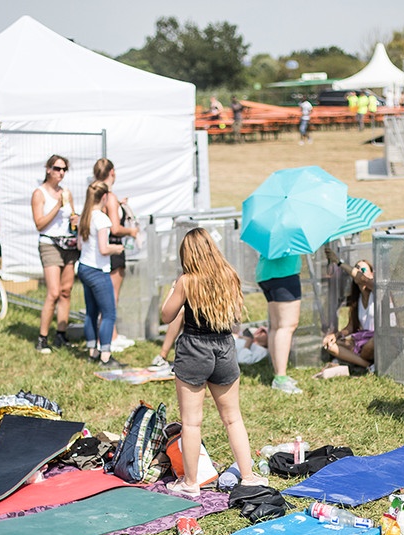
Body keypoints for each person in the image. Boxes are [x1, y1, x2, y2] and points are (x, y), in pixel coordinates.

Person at [161, 228, 269, 495]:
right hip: (224, 348)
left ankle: (190, 483)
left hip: (194, 349)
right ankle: (249, 475)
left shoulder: (187, 281)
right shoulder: (229, 276)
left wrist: (173, 288)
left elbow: (167, 315)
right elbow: (234, 318)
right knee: (233, 418)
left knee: (191, 422)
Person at [31, 154, 79, 354]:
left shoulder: (66, 192)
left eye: (64, 169)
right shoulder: (39, 193)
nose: (61, 173)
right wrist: (57, 206)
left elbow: (72, 216)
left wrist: (76, 220)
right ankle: (42, 337)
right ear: (48, 169)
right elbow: (39, 224)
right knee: (53, 292)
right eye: (57, 169)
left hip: (68, 243)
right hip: (49, 243)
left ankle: (61, 333)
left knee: (66, 291)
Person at [77, 181, 125, 368]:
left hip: (84, 267)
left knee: (91, 312)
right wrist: (118, 248)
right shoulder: (103, 220)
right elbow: (104, 249)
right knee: (109, 314)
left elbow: (80, 246)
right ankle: (105, 355)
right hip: (98, 271)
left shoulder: (85, 217)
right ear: (104, 197)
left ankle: (92, 351)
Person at [94, 158, 139, 352]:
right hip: (114, 248)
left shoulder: (98, 194)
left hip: (103, 249)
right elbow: (115, 228)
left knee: (108, 297)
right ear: (112, 172)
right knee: (112, 297)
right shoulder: (109, 196)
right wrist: (132, 232)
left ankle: (111, 335)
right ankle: (107, 338)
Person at [321, 248, 376, 370]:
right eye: (355, 269)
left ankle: (353, 359)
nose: (357, 272)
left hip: (375, 340)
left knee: (374, 342)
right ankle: (367, 365)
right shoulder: (357, 298)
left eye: (362, 269)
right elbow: (351, 327)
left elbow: (361, 278)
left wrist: (338, 262)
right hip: (361, 340)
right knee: (330, 344)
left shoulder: (377, 291)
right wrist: (336, 335)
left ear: (372, 274)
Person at [257, 253, 303, 394]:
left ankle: (279, 375)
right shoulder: (288, 230)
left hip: (267, 273)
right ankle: (280, 378)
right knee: (286, 326)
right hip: (284, 273)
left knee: (277, 327)